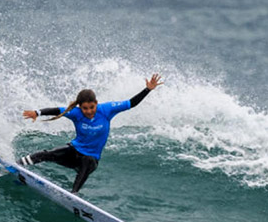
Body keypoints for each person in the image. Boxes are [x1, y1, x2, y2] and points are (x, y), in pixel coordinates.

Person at [19, 73, 164, 194]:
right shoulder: (75, 113)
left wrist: (148, 89)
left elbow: (131, 103)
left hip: (91, 160)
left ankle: (73, 194)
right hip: (73, 153)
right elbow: (56, 110)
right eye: (85, 108)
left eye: (92, 107)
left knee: (86, 161)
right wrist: (37, 113)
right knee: (47, 154)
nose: (89, 111)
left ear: (96, 103)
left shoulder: (106, 110)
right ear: (80, 107)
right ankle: (18, 165)